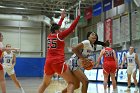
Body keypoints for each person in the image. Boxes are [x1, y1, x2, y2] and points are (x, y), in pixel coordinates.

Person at [38, 9, 80, 93]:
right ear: (57, 31)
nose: (61, 30)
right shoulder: (60, 35)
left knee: (45, 84)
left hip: (48, 62)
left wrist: (62, 18)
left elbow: (57, 27)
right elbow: (72, 27)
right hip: (58, 62)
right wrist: (78, 17)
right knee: (72, 82)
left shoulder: (50, 36)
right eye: (60, 29)